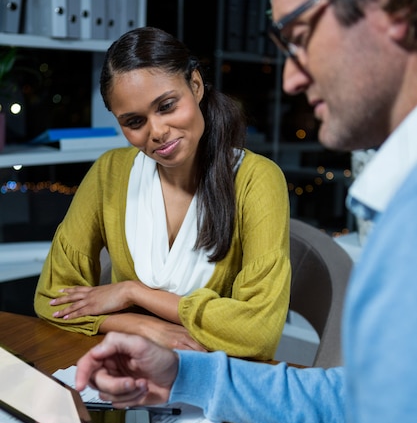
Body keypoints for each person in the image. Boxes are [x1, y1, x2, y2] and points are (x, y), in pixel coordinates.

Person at [32, 0, 417, 423]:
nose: (289, 78)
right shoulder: (399, 212)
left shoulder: (271, 185)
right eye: (133, 120)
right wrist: (181, 363)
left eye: (299, 32)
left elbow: (259, 335)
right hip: (185, 385)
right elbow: (373, 403)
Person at [34, 26, 290, 360]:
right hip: (131, 369)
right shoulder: (109, 173)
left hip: (222, 382)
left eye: (167, 106)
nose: (156, 132)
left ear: (195, 85)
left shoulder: (257, 180)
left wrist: (133, 293)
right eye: (134, 122)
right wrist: (140, 326)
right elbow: (52, 298)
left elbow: (258, 332)